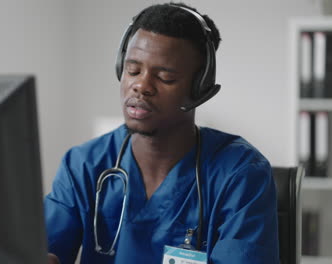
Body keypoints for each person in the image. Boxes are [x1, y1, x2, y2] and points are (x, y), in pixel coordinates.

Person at [45, 2, 279, 264]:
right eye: (133, 70)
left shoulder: (240, 173)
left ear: (200, 88)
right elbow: (43, 249)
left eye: (165, 77)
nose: (141, 86)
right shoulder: (83, 165)